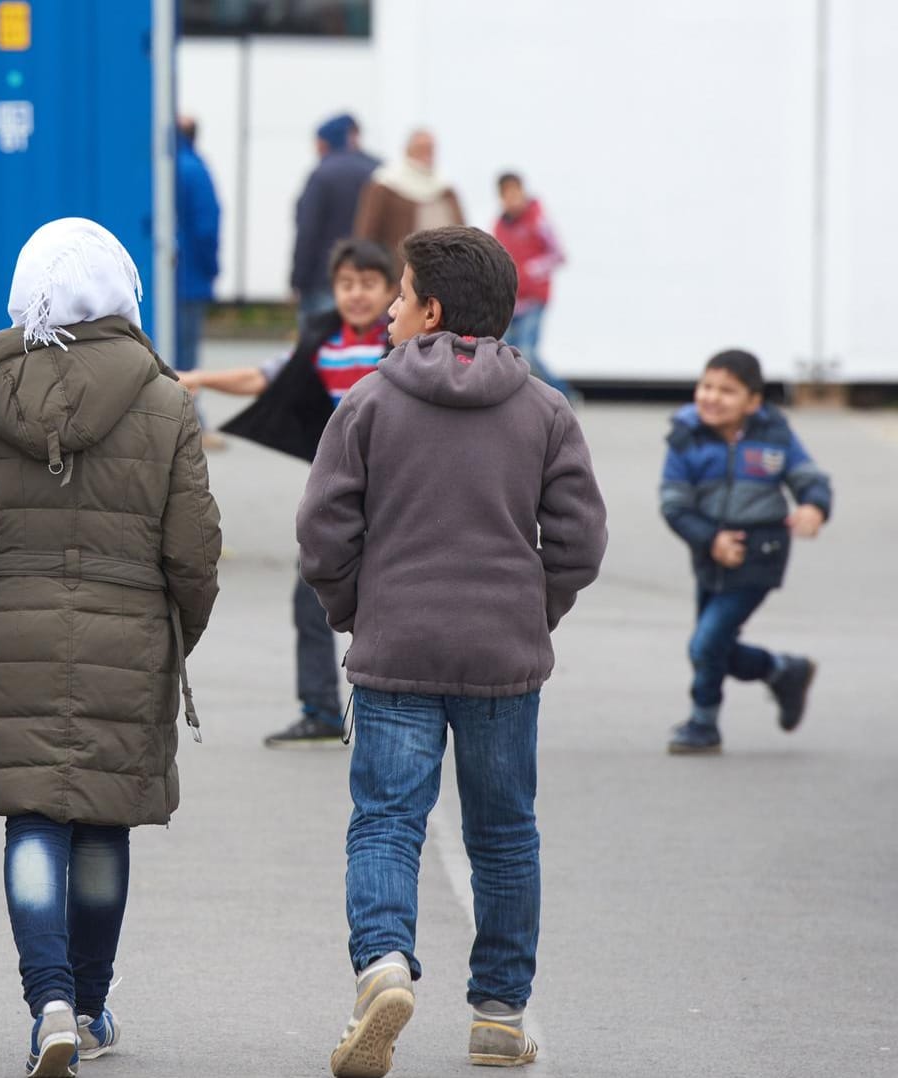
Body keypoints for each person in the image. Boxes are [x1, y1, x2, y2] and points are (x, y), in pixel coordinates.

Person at [297, 226, 607, 1077]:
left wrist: (353, 609)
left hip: (397, 648)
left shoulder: (367, 402)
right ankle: (501, 1015)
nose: (389, 308)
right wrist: (531, 609)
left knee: (388, 819)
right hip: (505, 657)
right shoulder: (545, 409)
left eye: (398, 296)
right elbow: (580, 540)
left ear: (429, 312)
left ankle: (385, 966)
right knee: (504, 832)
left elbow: (323, 532)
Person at [0, 218, 222, 1078]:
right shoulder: (165, 400)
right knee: (99, 823)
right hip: (128, 630)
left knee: (33, 816)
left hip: (9, 621)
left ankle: (48, 1000)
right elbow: (192, 550)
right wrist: (173, 633)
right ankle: (89, 1007)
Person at [181, 239, 398, 747]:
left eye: (369, 284)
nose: (358, 294)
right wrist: (201, 378)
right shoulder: (321, 341)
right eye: (347, 284)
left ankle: (405, 708)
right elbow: (262, 376)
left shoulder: (403, 343)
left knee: (393, 606)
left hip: (398, 499)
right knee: (312, 600)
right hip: (342, 499)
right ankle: (320, 709)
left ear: (390, 290)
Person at [658, 350, 830, 755]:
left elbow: (808, 477)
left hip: (760, 554)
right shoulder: (685, 437)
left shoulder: (774, 434)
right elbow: (674, 505)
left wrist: (814, 506)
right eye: (706, 386)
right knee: (712, 645)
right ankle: (783, 670)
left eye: (727, 391)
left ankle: (704, 724)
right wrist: (710, 539)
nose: (712, 397)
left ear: (753, 402)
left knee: (705, 645)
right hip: (710, 556)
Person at [292, 113, 380, 330]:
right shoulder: (380, 171)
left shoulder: (322, 174)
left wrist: (298, 280)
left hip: (325, 278)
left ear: (325, 142)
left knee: (317, 349)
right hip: (373, 278)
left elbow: (308, 232)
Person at [491, 173, 574, 401]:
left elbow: (558, 254)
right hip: (511, 300)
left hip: (534, 298)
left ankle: (563, 394)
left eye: (515, 192)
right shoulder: (500, 226)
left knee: (527, 352)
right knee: (505, 350)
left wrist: (531, 270)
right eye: (506, 194)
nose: (512, 199)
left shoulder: (537, 220)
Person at [352, 130, 463, 279]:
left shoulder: (445, 188)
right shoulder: (386, 185)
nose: (427, 153)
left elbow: (462, 231)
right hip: (399, 275)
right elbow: (367, 234)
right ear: (408, 150)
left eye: (431, 148)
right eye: (421, 147)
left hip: (444, 276)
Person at [174, 114, 223, 440]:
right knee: (187, 357)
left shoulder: (157, 165)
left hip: (163, 279)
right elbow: (207, 225)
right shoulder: (193, 168)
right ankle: (191, 424)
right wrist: (211, 268)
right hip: (188, 277)